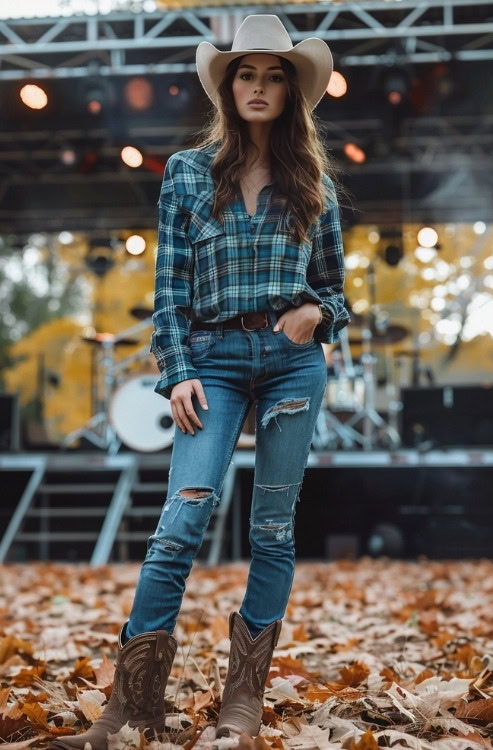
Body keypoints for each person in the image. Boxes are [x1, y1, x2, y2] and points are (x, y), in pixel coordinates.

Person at [50, 14, 350, 750]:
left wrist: (316, 312)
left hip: (289, 365)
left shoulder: (312, 180)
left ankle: (241, 703)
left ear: (291, 91)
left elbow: (338, 291)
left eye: (274, 75)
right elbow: (168, 290)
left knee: (272, 532)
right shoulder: (187, 172)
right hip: (211, 361)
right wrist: (177, 371)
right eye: (246, 73)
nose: (259, 86)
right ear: (226, 85)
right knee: (180, 524)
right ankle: (131, 705)